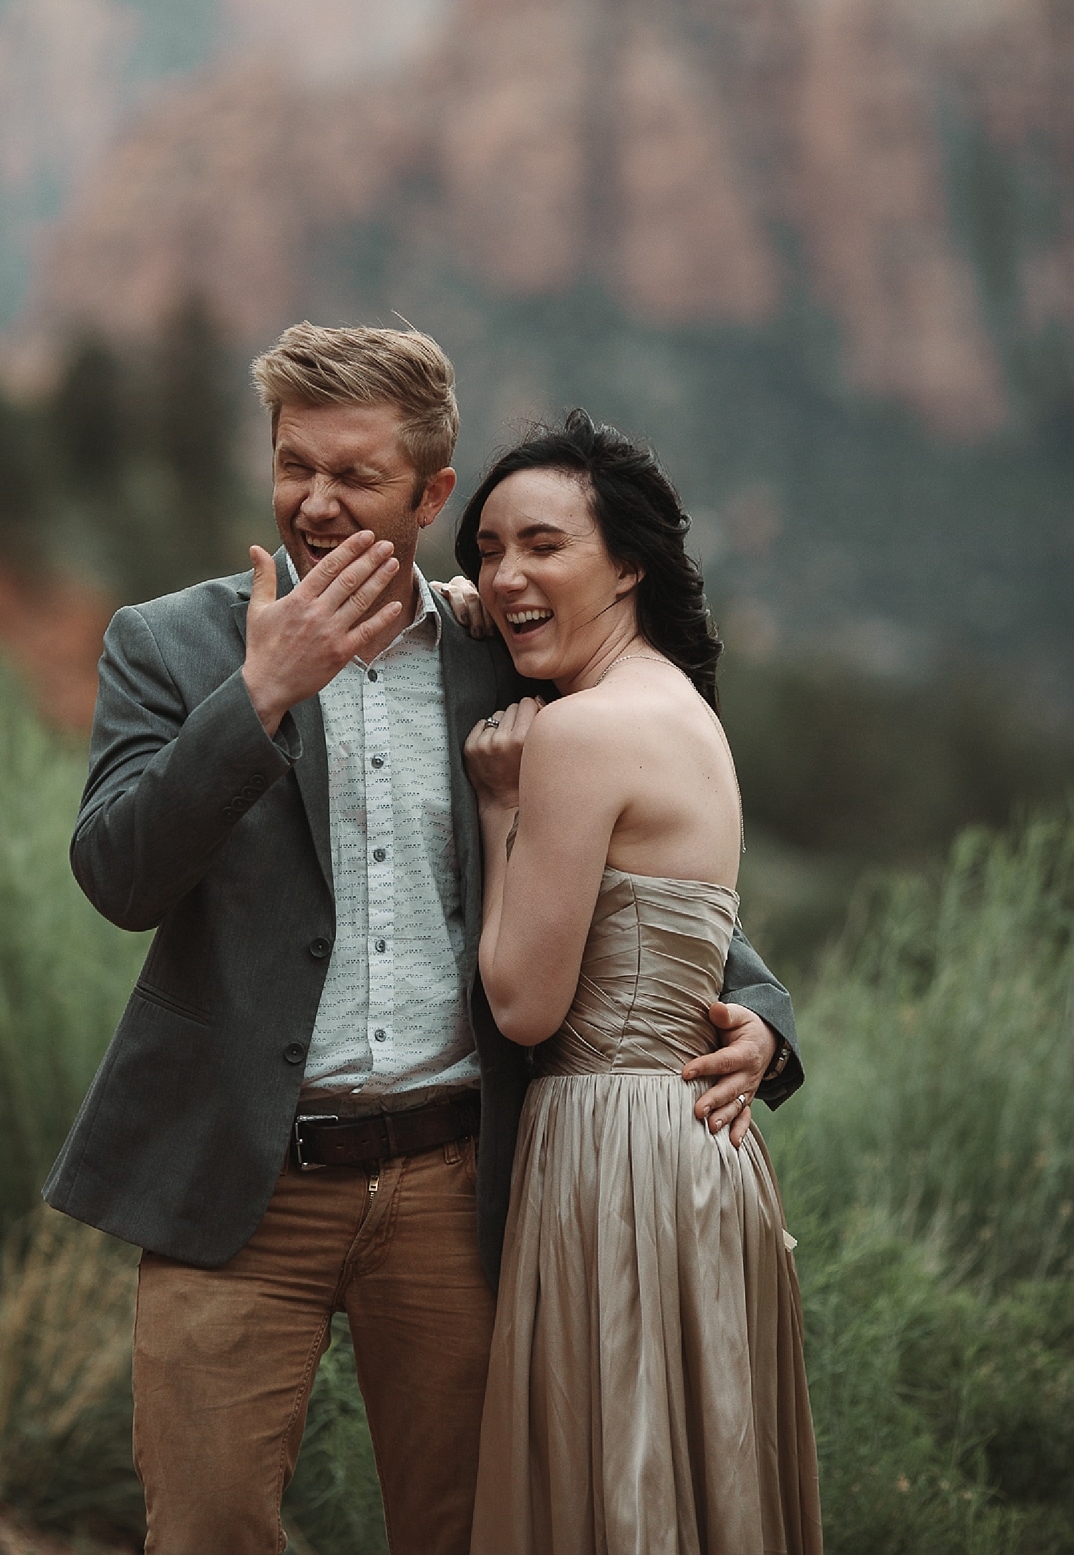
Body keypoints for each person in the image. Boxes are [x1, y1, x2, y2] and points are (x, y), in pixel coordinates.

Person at [43, 324, 805, 1555]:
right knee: (205, 1524)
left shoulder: (504, 656)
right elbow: (117, 872)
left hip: (462, 1183)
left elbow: (629, 853)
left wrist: (761, 1006)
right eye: (295, 465)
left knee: (460, 1528)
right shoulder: (170, 643)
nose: (316, 501)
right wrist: (261, 693)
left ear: (431, 491)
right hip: (240, 1179)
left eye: (356, 475)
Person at [450, 410, 821, 1554]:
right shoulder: (684, 709)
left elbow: (523, 1002)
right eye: (487, 549)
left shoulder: (579, 734)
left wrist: (503, 804)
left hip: (606, 1150)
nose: (507, 572)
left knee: (611, 1483)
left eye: (544, 544)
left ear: (628, 565)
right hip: (696, 1154)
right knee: (687, 1478)